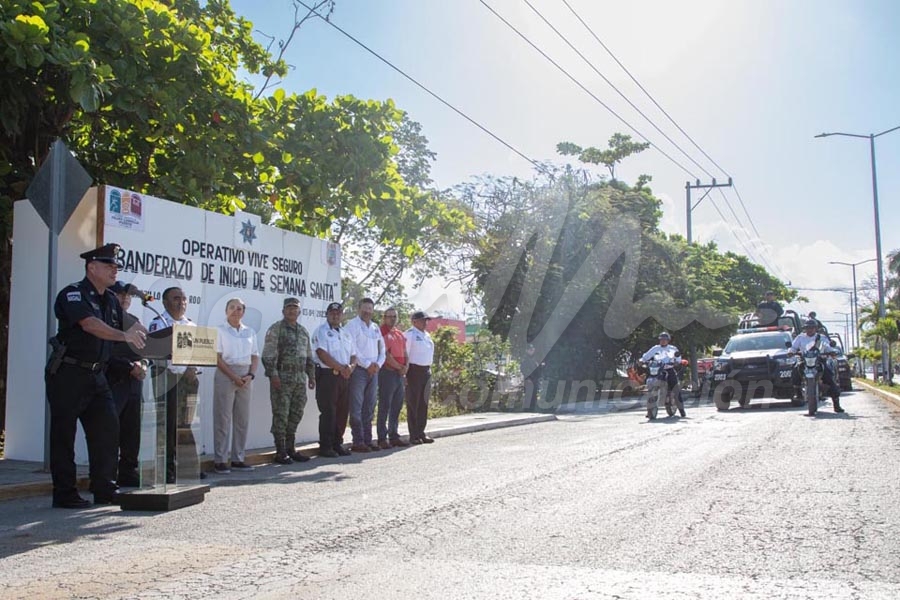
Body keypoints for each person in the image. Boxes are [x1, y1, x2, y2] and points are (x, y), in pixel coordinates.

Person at [45, 243, 147, 508]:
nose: (115, 270)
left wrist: (155, 348)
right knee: (63, 435)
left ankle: (104, 489)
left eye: (116, 267)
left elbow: (132, 330)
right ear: (92, 267)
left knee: (107, 432)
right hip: (69, 372)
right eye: (109, 266)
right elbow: (90, 325)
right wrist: (124, 335)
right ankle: (65, 493)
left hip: (97, 376)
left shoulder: (111, 300)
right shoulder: (73, 294)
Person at [148, 286, 203, 483]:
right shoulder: (158, 323)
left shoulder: (191, 325)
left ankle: (188, 467)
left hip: (188, 380)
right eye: (176, 298)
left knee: (186, 423)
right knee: (167, 424)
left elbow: (199, 352)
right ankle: (166, 469)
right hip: (167, 378)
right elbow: (157, 351)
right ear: (165, 302)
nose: (181, 302)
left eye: (184, 298)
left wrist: (192, 367)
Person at [261, 297, 316, 464]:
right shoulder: (276, 329)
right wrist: (273, 374)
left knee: (296, 413)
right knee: (281, 414)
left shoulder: (303, 331)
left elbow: (308, 356)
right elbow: (268, 355)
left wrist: (311, 375)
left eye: (295, 308)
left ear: (299, 311)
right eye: (289, 308)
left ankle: (291, 449)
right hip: (282, 379)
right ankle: (280, 451)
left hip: (299, 379)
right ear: (283, 311)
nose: (292, 310)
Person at [107, 282, 148, 487]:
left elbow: (145, 350)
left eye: (128, 296)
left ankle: (128, 471)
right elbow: (106, 352)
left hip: (134, 382)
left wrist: (143, 364)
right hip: (114, 380)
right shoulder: (105, 320)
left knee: (132, 430)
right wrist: (128, 366)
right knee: (109, 430)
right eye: (120, 295)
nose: (124, 299)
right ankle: (107, 474)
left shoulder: (134, 321)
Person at [214, 297, 260, 473]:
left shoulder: (250, 332)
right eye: (232, 307)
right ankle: (220, 460)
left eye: (239, 308)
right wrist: (233, 376)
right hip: (226, 374)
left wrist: (251, 375)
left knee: (242, 419)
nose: (236, 311)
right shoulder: (219, 330)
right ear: (226, 311)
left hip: (246, 376)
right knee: (222, 418)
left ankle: (238, 458)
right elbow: (217, 358)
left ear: (243, 312)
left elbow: (255, 356)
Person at [312, 302, 357, 457]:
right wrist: (340, 367)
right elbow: (321, 353)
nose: (335, 315)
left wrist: (350, 367)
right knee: (328, 412)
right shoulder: (321, 331)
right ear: (327, 314)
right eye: (332, 313)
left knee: (342, 412)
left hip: (345, 377)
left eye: (338, 313)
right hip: (328, 376)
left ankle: (337, 443)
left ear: (342, 315)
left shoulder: (345, 333)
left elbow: (354, 354)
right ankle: (326, 446)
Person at [345, 297, 385, 452]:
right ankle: (358, 441)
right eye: (364, 308)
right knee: (356, 407)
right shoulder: (352, 325)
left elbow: (382, 349)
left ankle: (368, 440)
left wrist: (378, 365)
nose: (367, 311)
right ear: (358, 309)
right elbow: (353, 350)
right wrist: (368, 365)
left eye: (370, 309)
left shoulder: (375, 327)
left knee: (369, 407)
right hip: (359, 371)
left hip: (374, 371)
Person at [791, 319, 843, 413]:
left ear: (815, 328)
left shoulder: (821, 337)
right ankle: (798, 393)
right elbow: (793, 347)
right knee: (795, 370)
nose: (810, 330)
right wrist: (791, 352)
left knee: (829, 377)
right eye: (807, 328)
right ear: (805, 329)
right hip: (805, 360)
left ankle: (836, 404)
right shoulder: (800, 337)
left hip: (819, 360)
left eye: (812, 328)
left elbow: (827, 346)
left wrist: (831, 351)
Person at [378, 307, 410, 449]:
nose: (392, 319)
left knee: (397, 406)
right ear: (384, 317)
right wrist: (399, 367)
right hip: (388, 372)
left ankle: (394, 435)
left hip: (400, 374)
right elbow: (385, 354)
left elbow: (405, 352)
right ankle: (382, 437)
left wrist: (406, 367)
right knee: (385, 405)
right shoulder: (381, 331)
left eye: (394, 316)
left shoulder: (400, 334)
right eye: (389, 316)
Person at [405, 311, 436, 444]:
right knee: (414, 403)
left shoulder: (427, 335)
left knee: (423, 403)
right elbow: (405, 354)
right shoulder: (409, 334)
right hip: (413, 370)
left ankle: (421, 432)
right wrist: (405, 374)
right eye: (422, 320)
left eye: (426, 320)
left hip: (426, 371)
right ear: (414, 321)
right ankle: (413, 435)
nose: (425, 322)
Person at [640, 331, 683, 419]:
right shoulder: (655, 348)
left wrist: (676, 362)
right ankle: (650, 410)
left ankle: (681, 409)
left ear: (668, 340)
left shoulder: (672, 349)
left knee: (675, 387)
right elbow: (646, 356)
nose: (663, 341)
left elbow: (678, 359)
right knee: (650, 385)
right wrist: (641, 360)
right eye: (661, 339)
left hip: (668, 369)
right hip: (657, 370)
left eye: (665, 339)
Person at [520, 343, 544, 408]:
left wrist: (541, 367)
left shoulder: (535, 359)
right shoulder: (525, 359)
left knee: (534, 396)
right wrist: (528, 378)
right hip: (529, 381)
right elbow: (523, 369)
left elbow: (538, 369)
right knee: (528, 396)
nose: (532, 351)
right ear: (527, 351)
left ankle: (532, 410)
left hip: (535, 380)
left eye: (532, 349)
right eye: (530, 350)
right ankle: (527, 410)